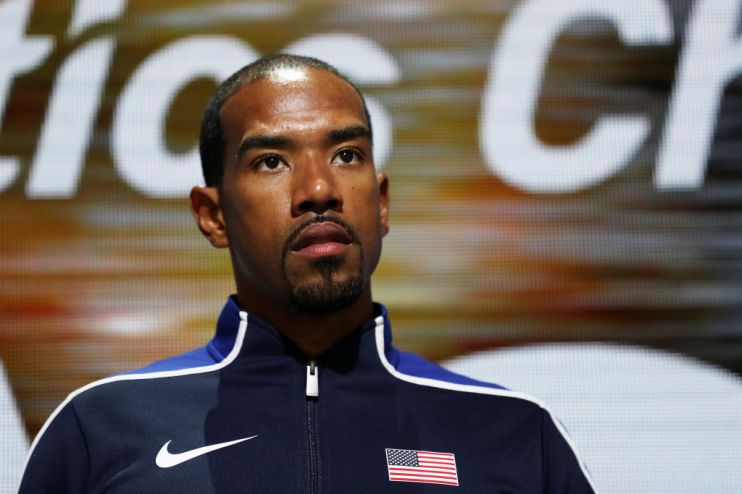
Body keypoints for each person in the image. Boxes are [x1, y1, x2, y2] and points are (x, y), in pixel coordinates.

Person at [19, 54, 596, 493]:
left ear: (383, 201)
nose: (319, 190)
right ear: (212, 215)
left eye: (347, 154)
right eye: (271, 161)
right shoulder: (99, 432)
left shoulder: (515, 433)